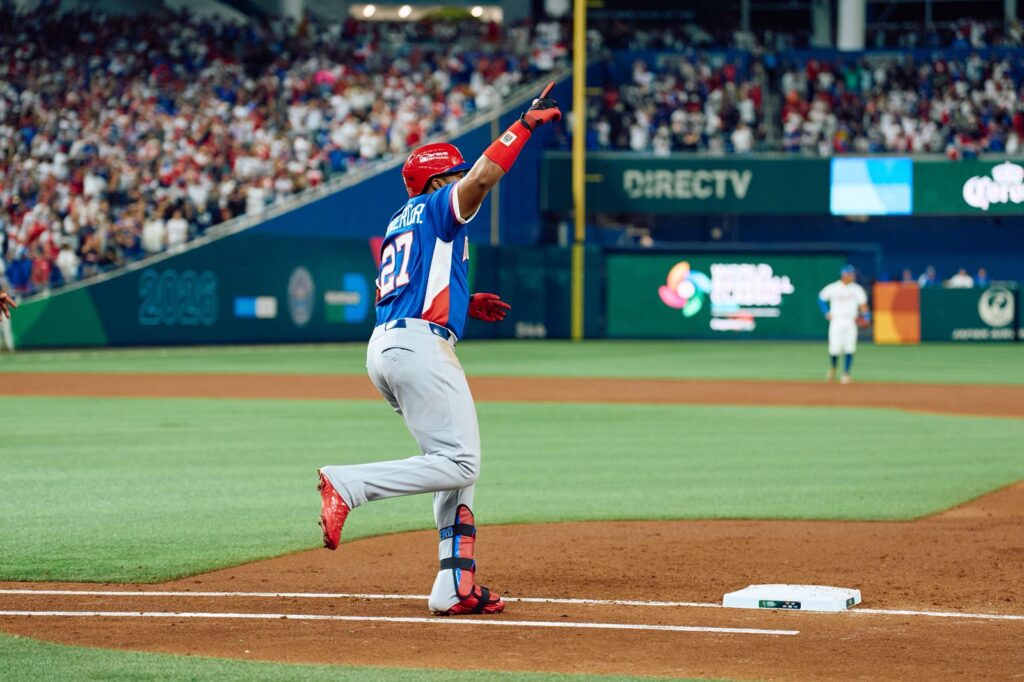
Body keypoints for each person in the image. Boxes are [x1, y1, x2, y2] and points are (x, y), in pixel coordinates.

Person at [316, 84, 561, 616]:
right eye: (453, 173)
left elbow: (409, 283)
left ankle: (454, 587)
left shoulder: (400, 222)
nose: (462, 178)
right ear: (435, 181)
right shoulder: (435, 207)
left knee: (455, 466)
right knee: (459, 459)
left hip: (388, 345)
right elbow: (484, 178)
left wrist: (465, 303)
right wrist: (523, 127)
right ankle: (348, 483)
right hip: (419, 346)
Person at [819, 265, 870, 384]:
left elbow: (863, 305)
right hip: (836, 320)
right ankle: (833, 367)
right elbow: (820, 298)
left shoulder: (857, 289)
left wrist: (866, 317)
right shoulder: (834, 287)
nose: (852, 276)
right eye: (850, 274)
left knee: (850, 347)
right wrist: (826, 312)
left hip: (851, 321)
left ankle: (846, 373)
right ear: (844, 275)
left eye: (853, 274)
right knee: (834, 349)